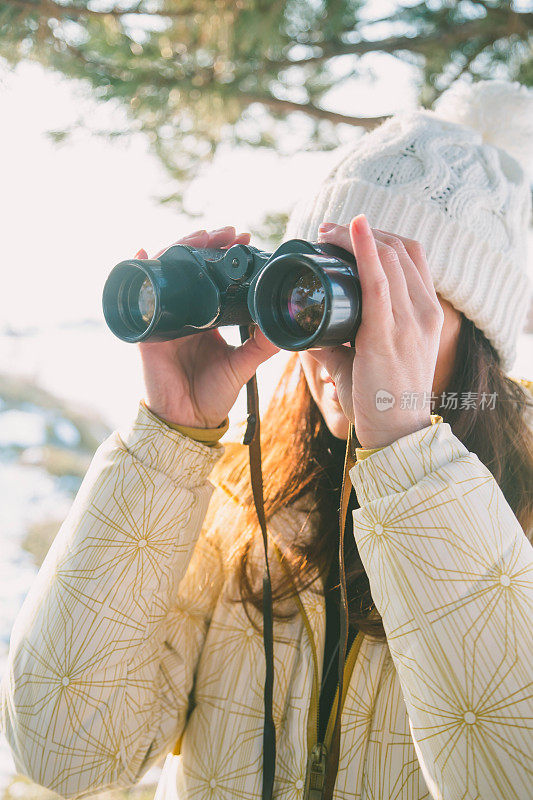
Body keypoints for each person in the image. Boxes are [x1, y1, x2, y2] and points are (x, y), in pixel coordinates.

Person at [2, 79, 533, 800]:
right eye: (320, 289)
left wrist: (408, 453)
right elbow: (63, 750)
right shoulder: (237, 499)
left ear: (474, 343)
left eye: (385, 300)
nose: (334, 339)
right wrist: (169, 436)